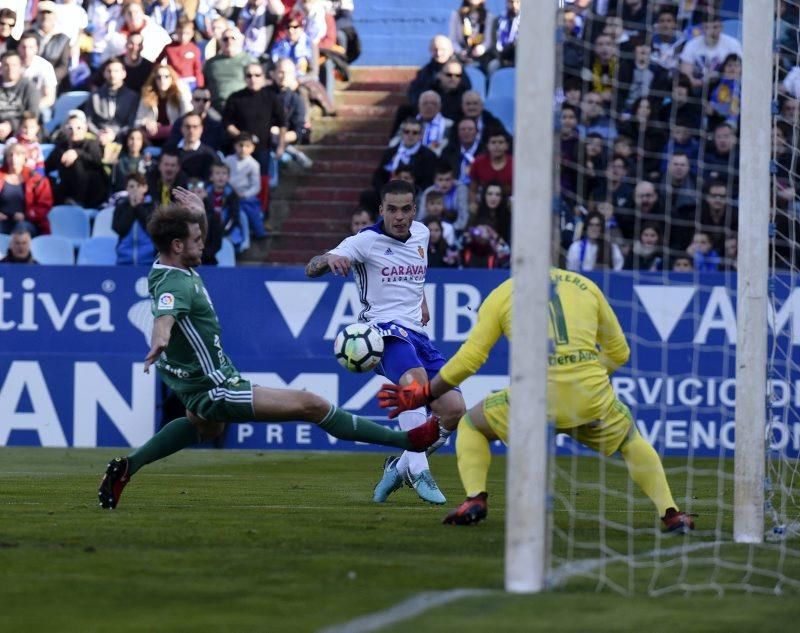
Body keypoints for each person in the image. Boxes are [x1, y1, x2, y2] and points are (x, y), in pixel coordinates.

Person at [98, 192, 441, 509]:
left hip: (201, 380)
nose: (204, 243)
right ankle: (407, 442)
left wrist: (199, 215)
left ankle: (127, 467)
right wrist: (160, 337)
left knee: (206, 426)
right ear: (176, 245)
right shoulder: (174, 283)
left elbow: (176, 274)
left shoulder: (165, 268)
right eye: (197, 238)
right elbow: (165, 315)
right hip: (216, 387)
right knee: (312, 405)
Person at [377, 271, 695, 533]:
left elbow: (470, 360)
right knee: (630, 439)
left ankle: (475, 498)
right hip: (590, 398)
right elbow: (620, 352)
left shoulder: (504, 293)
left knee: (472, 424)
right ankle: (671, 514)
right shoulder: (586, 287)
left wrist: (425, 393)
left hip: (533, 400)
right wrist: (588, 376)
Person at [305, 179, 466, 505]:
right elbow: (313, 267)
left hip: (419, 336)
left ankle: (400, 464)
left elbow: (413, 276)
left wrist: (420, 300)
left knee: (454, 410)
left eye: (405, 209)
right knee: (416, 386)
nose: (399, 216)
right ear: (381, 210)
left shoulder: (421, 234)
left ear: (414, 210)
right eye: (392, 209)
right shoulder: (365, 241)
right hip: (383, 333)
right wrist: (328, 261)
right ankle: (420, 470)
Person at [45, 111, 108, 208]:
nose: (74, 131)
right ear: (64, 129)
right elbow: (47, 167)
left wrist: (77, 153)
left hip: (91, 192)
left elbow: (97, 162)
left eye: (78, 128)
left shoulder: (91, 143)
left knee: (78, 164)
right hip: (69, 190)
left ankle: (79, 202)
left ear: (85, 129)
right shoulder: (61, 147)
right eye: (70, 128)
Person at [372, 118, 438, 193]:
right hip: (389, 193)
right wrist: (384, 192)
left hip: (414, 195)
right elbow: (378, 177)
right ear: (402, 133)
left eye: (415, 132)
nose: (410, 135)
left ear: (421, 135)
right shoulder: (390, 152)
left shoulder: (429, 156)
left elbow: (428, 182)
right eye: (407, 132)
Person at [0, 143, 53, 236]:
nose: (13, 158)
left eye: (18, 154)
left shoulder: (36, 179)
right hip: (2, 220)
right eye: (10, 155)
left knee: (20, 231)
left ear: (25, 157)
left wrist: (26, 216)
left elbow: (44, 206)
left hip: (29, 222)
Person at [84, 58, 141, 144]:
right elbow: (88, 120)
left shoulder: (132, 97)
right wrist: (98, 133)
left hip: (123, 139)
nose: (112, 74)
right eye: (109, 71)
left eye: (116, 71)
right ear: (104, 74)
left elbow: (131, 123)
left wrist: (114, 134)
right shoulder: (95, 95)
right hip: (97, 139)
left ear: (124, 74)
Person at [135, 64, 192, 146]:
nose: (162, 80)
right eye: (158, 77)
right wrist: (147, 123)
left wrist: (181, 89)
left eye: (166, 76)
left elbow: (188, 114)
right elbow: (138, 121)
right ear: (154, 79)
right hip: (152, 135)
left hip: (174, 133)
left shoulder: (178, 93)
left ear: (172, 78)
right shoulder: (148, 94)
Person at [225, 132, 266, 240]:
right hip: (228, 192)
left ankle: (259, 232)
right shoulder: (228, 160)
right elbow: (223, 177)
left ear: (252, 148)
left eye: (247, 146)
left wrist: (244, 194)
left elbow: (256, 186)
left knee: (252, 210)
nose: (243, 149)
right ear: (235, 146)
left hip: (245, 196)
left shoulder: (253, 164)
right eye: (240, 145)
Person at [113, 172, 156, 265]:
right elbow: (119, 229)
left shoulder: (152, 206)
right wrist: (131, 209)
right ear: (127, 189)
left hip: (148, 260)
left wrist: (138, 207)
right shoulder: (121, 206)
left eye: (139, 186)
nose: (135, 189)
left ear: (145, 188)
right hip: (124, 260)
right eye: (131, 186)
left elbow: (151, 227)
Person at [167, 113, 218, 181]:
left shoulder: (210, 155)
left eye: (195, 127)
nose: (191, 131)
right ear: (181, 128)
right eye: (188, 126)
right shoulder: (168, 150)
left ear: (201, 129)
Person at [0, 50, 39, 131]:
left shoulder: (29, 87)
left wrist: (11, 125)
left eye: (14, 65)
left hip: (20, 131)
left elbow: (33, 115)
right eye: (6, 65)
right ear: (1, 67)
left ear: (20, 66)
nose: (10, 69)